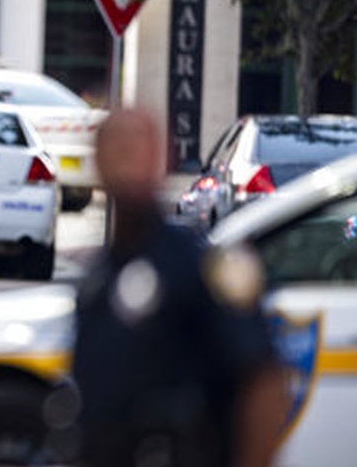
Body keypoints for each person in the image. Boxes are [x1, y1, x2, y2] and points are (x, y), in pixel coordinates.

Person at [70, 110, 286, 467]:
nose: (125, 165)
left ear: (161, 159)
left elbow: (263, 383)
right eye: (114, 150)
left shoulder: (204, 268)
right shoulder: (98, 279)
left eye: (135, 151)